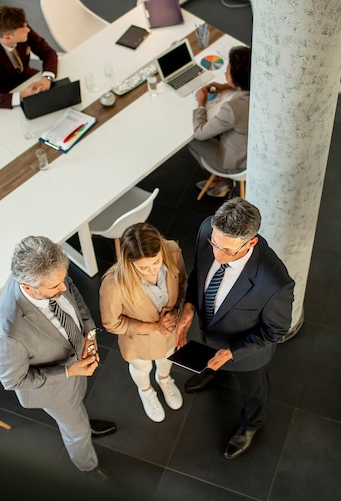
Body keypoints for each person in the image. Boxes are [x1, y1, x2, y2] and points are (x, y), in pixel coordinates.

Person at [176, 197, 295, 459]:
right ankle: (217, 372)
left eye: (227, 251)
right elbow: (199, 272)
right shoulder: (209, 229)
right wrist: (189, 307)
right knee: (213, 360)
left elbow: (275, 332)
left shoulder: (275, 283)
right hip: (212, 335)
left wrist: (232, 353)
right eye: (214, 244)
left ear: (251, 242)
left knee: (254, 393)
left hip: (246, 355)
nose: (217, 255)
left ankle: (252, 425)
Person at [0, 236, 115, 483]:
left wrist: (89, 335)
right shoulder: (7, 334)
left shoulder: (49, 271)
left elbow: (75, 300)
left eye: (63, 278)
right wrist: (69, 371)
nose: (64, 288)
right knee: (75, 431)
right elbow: (13, 380)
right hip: (54, 389)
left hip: (76, 362)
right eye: (55, 287)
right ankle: (88, 468)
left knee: (78, 406)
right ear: (28, 287)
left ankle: (83, 420)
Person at [99, 223, 186, 423]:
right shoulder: (113, 284)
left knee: (167, 358)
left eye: (156, 262)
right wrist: (154, 327)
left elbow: (181, 283)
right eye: (142, 267)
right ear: (129, 262)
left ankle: (164, 380)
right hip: (138, 340)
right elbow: (112, 324)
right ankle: (146, 391)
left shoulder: (172, 251)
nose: (151, 271)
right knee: (142, 369)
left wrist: (174, 311)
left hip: (169, 331)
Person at [188, 45, 251, 197]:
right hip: (251, 154)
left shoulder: (232, 109)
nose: (225, 72)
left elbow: (200, 133)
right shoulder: (259, 91)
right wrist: (226, 86)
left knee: (191, 140)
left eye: (228, 70)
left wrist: (201, 104)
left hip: (235, 164)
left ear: (235, 78)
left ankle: (221, 179)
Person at [0, 5, 58, 109]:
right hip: (7, 94)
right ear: (7, 37)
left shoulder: (20, 27)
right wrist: (21, 96)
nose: (28, 30)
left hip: (27, 78)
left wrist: (47, 78)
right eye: (23, 29)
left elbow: (48, 52)